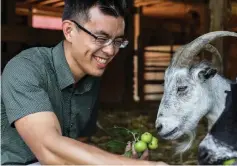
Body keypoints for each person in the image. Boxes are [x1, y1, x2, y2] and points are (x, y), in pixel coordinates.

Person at [1, 0, 167, 165]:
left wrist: (121, 160)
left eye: (117, 41)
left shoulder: (90, 81)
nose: (110, 51)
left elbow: (79, 146)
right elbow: (50, 151)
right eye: (101, 38)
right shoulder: (25, 68)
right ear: (69, 31)